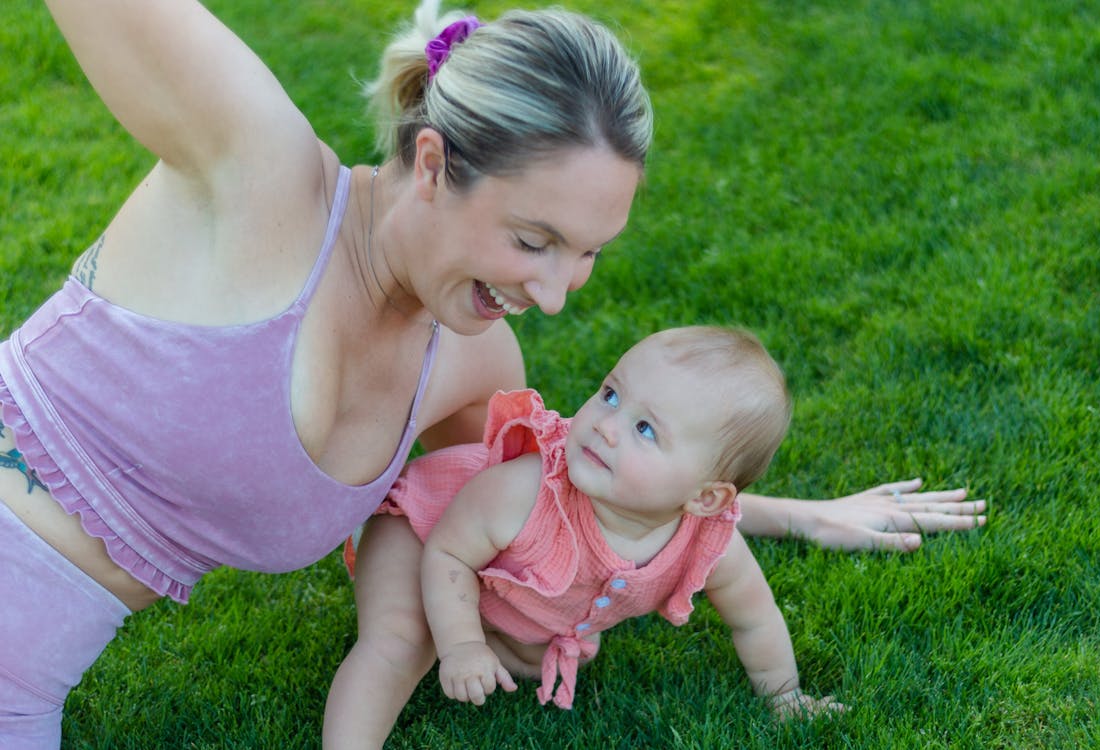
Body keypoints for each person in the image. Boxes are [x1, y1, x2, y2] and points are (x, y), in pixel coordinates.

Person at [0, 1, 983, 747]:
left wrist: (799, 514)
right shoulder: (257, 173)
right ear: (431, 165)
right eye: (533, 240)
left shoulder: (472, 357)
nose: (555, 295)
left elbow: (567, 494)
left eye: (587, 254)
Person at [327, 326, 847, 747]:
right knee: (402, 639)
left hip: (505, 585)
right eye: (611, 394)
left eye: (645, 429)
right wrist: (460, 645)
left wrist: (785, 696)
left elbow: (755, 618)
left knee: (549, 651)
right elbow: (448, 552)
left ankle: (482, 637)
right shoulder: (526, 490)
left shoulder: (710, 542)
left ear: (705, 499)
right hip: (422, 531)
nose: (605, 424)